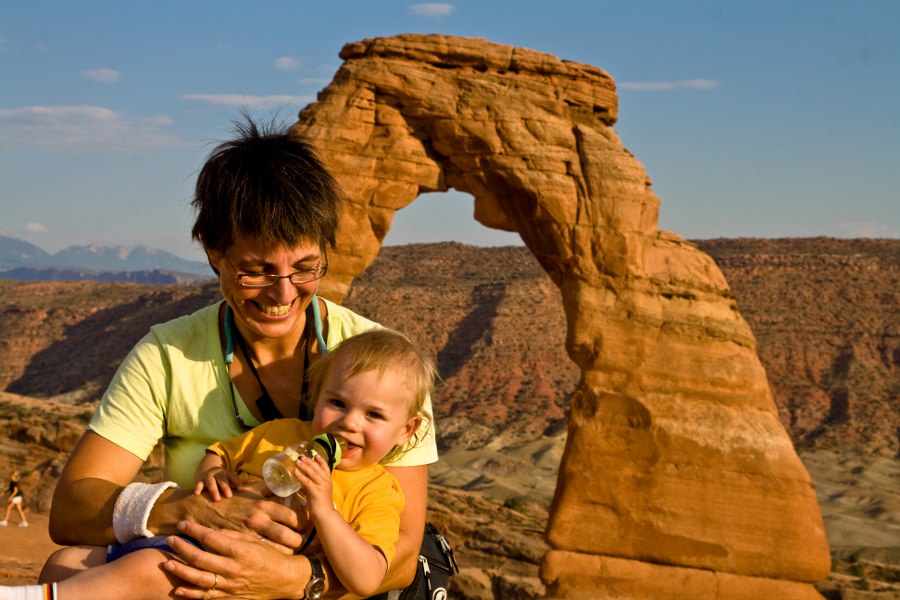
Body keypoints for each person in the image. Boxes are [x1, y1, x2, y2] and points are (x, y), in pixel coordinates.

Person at [41, 117, 438, 599]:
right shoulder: (167, 354)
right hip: (206, 563)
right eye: (257, 270)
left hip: (322, 584)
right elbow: (71, 510)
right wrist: (184, 508)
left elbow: (400, 552)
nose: (285, 292)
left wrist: (296, 580)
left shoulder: (384, 367)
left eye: (306, 268)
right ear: (213, 252)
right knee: (62, 566)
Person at [15, 330, 434, 600]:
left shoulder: (376, 491)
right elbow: (221, 451)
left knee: (147, 571)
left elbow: (368, 576)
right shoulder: (284, 433)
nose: (348, 423)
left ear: (405, 430)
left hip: (230, 575)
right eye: (337, 403)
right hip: (189, 537)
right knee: (64, 562)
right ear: (318, 395)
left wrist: (324, 510)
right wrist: (213, 474)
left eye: (374, 416)